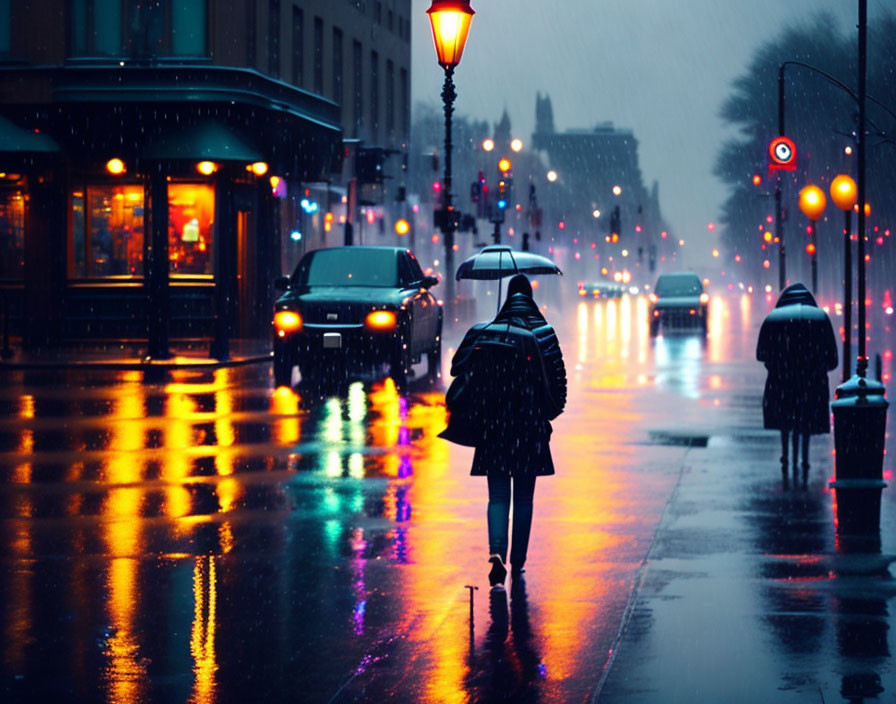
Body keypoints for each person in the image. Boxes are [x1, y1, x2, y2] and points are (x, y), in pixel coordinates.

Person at [441, 273, 566, 586]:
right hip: (530, 427)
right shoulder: (545, 333)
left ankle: (496, 552)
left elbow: (460, 368)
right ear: (531, 298)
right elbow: (559, 386)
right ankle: (518, 561)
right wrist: (546, 414)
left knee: (497, 497)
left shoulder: (488, 334)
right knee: (524, 498)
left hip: (494, 426)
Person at [756, 283, 838, 472]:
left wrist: (778, 363)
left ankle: (785, 454)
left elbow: (761, 354)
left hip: (781, 383)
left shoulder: (773, 320)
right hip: (811, 384)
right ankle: (805, 458)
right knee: (806, 420)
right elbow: (832, 359)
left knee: (786, 419)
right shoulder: (820, 320)